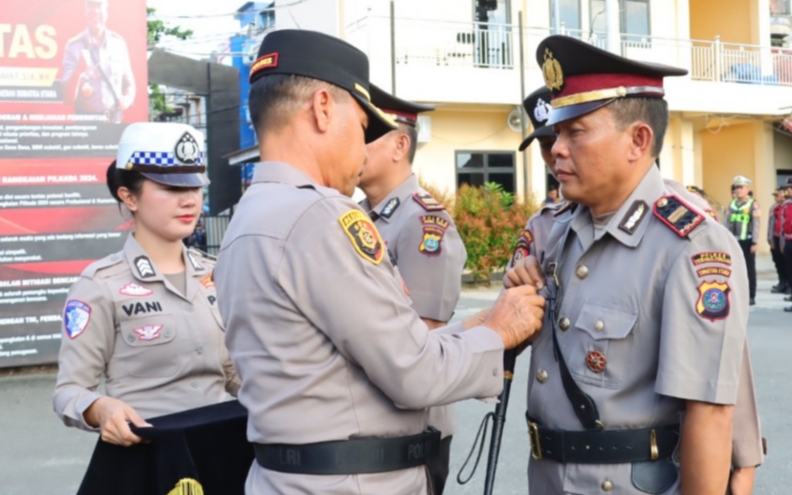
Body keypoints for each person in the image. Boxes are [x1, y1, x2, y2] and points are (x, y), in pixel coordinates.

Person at [212, 30, 546, 495]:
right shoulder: (320, 215)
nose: (362, 145)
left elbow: (344, 360)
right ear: (323, 108)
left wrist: (474, 326)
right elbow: (415, 371)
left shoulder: (250, 215)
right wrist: (501, 331)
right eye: (362, 125)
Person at [504, 35, 748, 495]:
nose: (556, 149)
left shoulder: (691, 246)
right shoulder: (559, 234)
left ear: (638, 140)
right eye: (557, 133)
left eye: (575, 132)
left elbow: (711, 413)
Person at [53, 122, 239, 448]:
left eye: (194, 188)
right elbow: (68, 391)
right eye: (171, 189)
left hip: (219, 452)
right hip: (148, 460)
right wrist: (101, 408)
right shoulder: (99, 285)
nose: (189, 202)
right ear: (129, 197)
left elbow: (233, 373)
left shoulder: (217, 274)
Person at [358, 86, 464, 495]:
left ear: (400, 144)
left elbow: (424, 338)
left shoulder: (422, 224)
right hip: (372, 423)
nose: (354, 145)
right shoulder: (359, 217)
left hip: (413, 428)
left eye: (367, 136)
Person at [510, 85, 565, 266]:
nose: (556, 151)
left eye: (572, 134)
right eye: (546, 144)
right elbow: (511, 291)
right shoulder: (541, 227)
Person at [62, 0, 135, 123]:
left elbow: (129, 84)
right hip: (86, 126)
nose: (95, 11)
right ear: (84, 10)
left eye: (99, 6)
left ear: (106, 10)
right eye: (91, 5)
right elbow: (67, 98)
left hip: (114, 122)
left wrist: (126, 100)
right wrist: (78, 70)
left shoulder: (119, 44)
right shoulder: (73, 46)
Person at [728, 175, 761, 305]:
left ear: (747, 189)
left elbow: (757, 224)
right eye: (736, 187)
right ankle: (738, 295)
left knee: (749, 269)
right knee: (735, 269)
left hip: (747, 242)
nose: (738, 190)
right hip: (734, 242)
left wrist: (755, 242)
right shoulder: (732, 203)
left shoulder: (753, 204)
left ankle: (751, 296)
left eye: (741, 187)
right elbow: (728, 223)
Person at [769, 187, 788, 294]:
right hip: (775, 238)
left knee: (786, 263)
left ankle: (788, 284)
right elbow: (770, 224)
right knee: (778, 262)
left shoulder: (787, 206)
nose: (776, 197)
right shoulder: (774, 207)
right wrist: (770, 239)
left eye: (778, 194)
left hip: (785, 239)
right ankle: (782, 282)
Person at [780, 179, 792, 311]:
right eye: (789, 187)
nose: (789, 190)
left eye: (791, 187)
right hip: (788, 242)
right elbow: (783, 224)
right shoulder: (787, 204)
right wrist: (783, 243)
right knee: (790, 272)